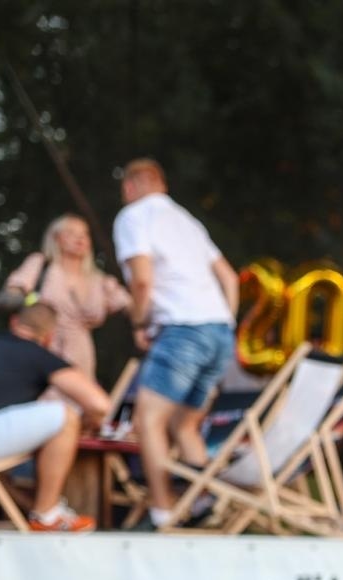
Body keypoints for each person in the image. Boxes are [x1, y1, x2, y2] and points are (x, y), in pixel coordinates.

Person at [112, 158, 239, 531]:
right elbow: (230, 279)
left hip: (183, 328)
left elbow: (142, 282)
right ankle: (202, 502)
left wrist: (140, 322)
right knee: (185, 424)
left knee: (148, 420)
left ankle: (163, 513)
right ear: (162, 184)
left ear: (130, 186)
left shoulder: (133, 216)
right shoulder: (187, 221)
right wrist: (225, 321)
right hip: (219, 332)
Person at [0, 302, 111, 531]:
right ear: (49, 336)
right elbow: (99, 405)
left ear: (14, 322)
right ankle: (47, 514)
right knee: (65, 417)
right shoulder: (39, 355)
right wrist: (88, 424)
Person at [0, 214, 131, 385]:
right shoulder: (41, 264)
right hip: (40, 346)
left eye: (84, 234)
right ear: (56, 238)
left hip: (80, 358)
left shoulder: (100, 281)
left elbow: (132, 306)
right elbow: (10, 294)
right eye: (71, 233)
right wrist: (23, 302)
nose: (80, 238)